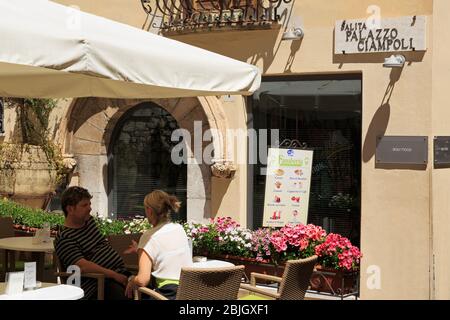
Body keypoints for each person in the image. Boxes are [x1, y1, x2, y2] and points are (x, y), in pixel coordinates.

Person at [54, 186, 131, 300]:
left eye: (89, 204)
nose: (90, 208)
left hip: (118, 274)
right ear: (70, 209)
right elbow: (83, 266)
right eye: (84, 205)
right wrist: (114, 275)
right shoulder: (64, 237)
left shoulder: (89, 222)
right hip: (96, 285)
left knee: (146, 289)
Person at [125, 190, 192, 299]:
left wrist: (132, 279)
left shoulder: (149, 237)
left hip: (167, 294)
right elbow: (166, 252)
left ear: (150, 211)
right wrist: (140, 249)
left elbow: (142, 280)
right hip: (188, 292)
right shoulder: (179, 229)